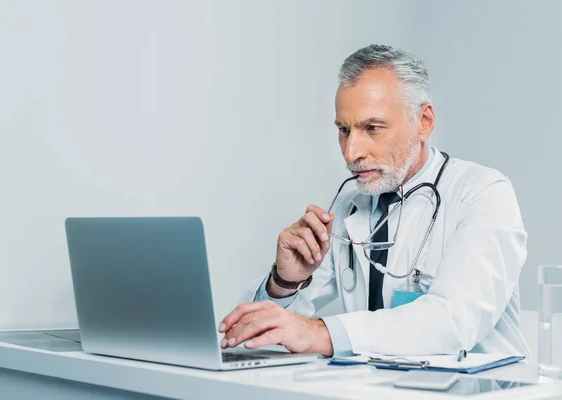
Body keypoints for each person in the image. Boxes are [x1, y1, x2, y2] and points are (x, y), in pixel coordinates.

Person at [218, 44, 532, 358]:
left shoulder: (483, 193)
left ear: (423, 121)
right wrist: (284, 281)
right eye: (344, 130)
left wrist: (319, 333)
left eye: (372, 128)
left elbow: (453, 322)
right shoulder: (348, 209)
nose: (351, 152)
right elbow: (263, 336)